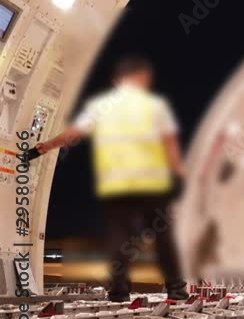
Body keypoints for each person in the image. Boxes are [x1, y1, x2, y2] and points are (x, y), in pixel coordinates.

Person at [36, 56, 187, 302]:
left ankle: (118, 291)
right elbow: (169, 143)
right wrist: (178, 174)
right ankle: (176, 289)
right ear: (141, 80)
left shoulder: (103, 106)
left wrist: (47, 146)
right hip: (151, 182)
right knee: (163, 235)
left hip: (118, 184)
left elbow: (74, 133)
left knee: (120, 238)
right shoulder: (154, 106)